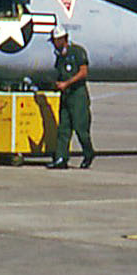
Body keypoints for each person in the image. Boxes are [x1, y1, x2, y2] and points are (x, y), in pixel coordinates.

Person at [47, 28, 94, 169]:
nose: (54, 44)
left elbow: (83, 72)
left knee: (81, 128)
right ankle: (61, 158)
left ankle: (88, 153)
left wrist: (67, 83)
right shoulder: (60, 56)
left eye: (55, 41)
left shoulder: (77, 52)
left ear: (63, 39)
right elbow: (59, 73)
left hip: (77, 95)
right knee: (63, 128)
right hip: (66, 95)